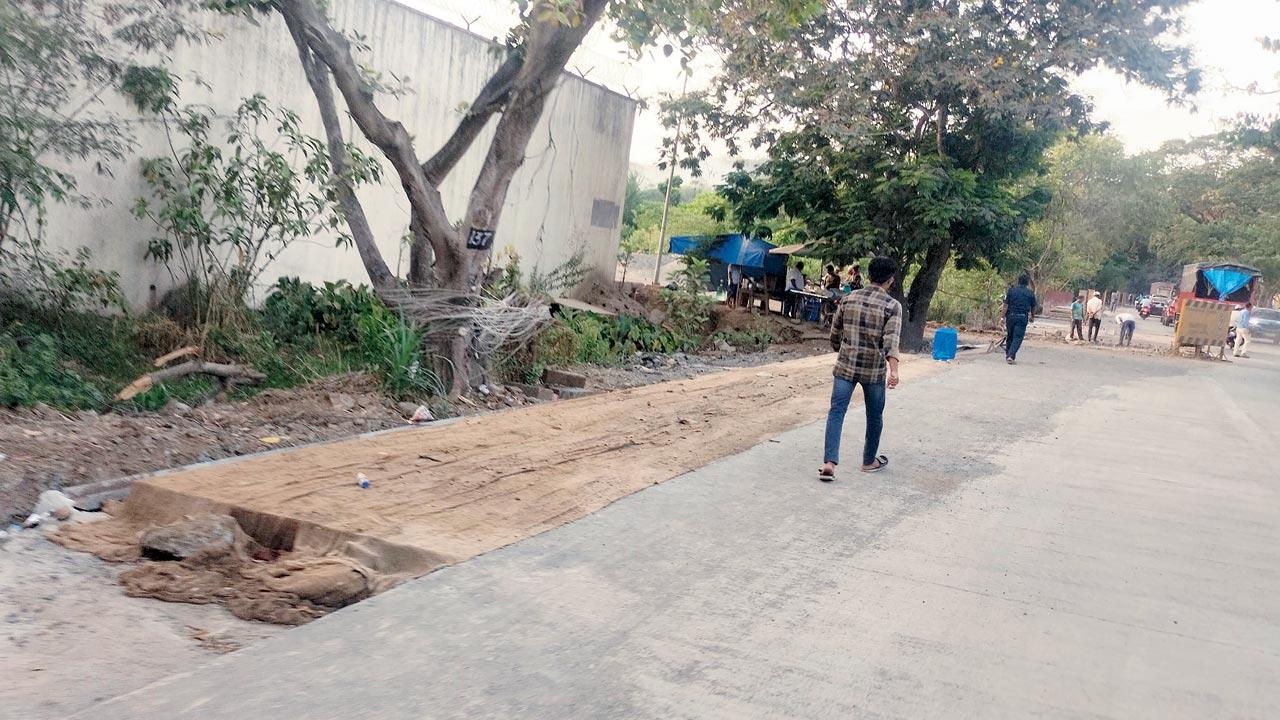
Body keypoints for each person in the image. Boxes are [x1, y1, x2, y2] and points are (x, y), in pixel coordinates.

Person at [819, 256, 901, 481]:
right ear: (890, 280)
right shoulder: (892, 306)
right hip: (873, 371)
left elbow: (835, 333)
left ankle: (829, 463)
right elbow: (891, 342)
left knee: (836, 412)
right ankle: (868, 461)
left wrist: (842, 349)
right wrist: (893, 371)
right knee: (874, 416)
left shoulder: (848, 298)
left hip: (845, 366)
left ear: (870, 274)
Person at [1001, 274, 1037, 365]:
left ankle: (1008, 355)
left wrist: (1002, 317)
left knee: (1010, 336)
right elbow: (1033, 307)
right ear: (1027, 283)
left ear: (1018, 281)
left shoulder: (1011, 291)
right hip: (1022, 317)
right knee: (1017, 338)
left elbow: (1005, 305)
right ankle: (1010, 355)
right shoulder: (1030, 293)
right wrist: (1032, 316)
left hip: (1010, 317)